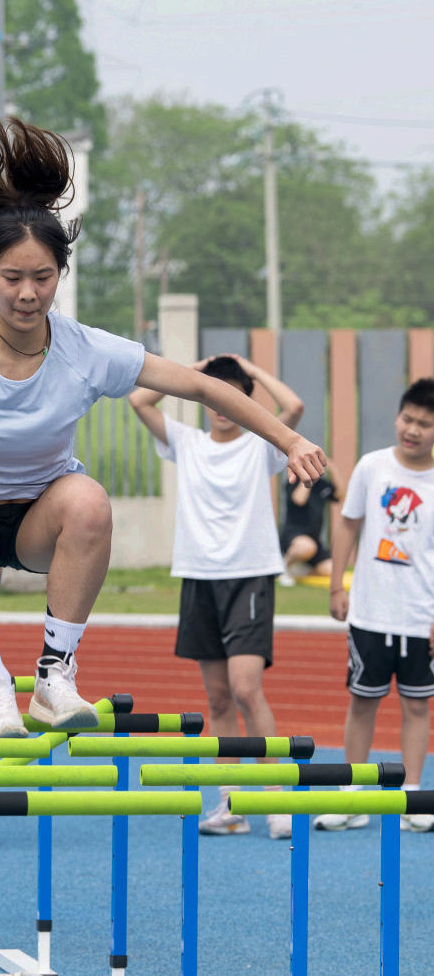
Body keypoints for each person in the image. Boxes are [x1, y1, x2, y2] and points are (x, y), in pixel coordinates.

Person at [0, 119, 326, 741]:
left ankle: (54, 677)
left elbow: (200, 386)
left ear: (59, 275)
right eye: (13, 278)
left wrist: (291, 439)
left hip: (40, 518)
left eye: (42, 278)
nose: (28, 294)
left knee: (90, 499)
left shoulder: (87, 350)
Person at [129, 353, 307, 840]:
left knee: (248, 688)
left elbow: (294, 405)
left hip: (250, 575)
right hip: (198, 576)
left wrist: (250, 369)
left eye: (233, 395)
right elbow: (139, 397)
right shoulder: (187, 443)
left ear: (245, 400)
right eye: (214, 395)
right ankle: (230, 804)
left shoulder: (261, 445)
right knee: (219, 695)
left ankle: (275, 800)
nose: (222, 405)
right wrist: (198, 370)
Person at [318, 378, 434, 833]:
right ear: (397, 416)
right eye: (408, 419)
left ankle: (412, 797)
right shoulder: (372, 467)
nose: (414, 430)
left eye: (425, 424)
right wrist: (336, 586)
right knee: (362, 702)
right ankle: (353, 796)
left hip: (420, 617)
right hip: (370, 612)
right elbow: (348, 526)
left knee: (418, 707)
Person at [278, 461, 344, 586]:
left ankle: (302, 570)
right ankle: (284, 567)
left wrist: (334, 470)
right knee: (307, 547)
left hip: (314, 539)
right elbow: (299, 499)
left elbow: (340, 495)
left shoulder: (321, 484)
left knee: (331, 569)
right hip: (294, 536)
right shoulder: (294, 481)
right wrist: (308, 477)